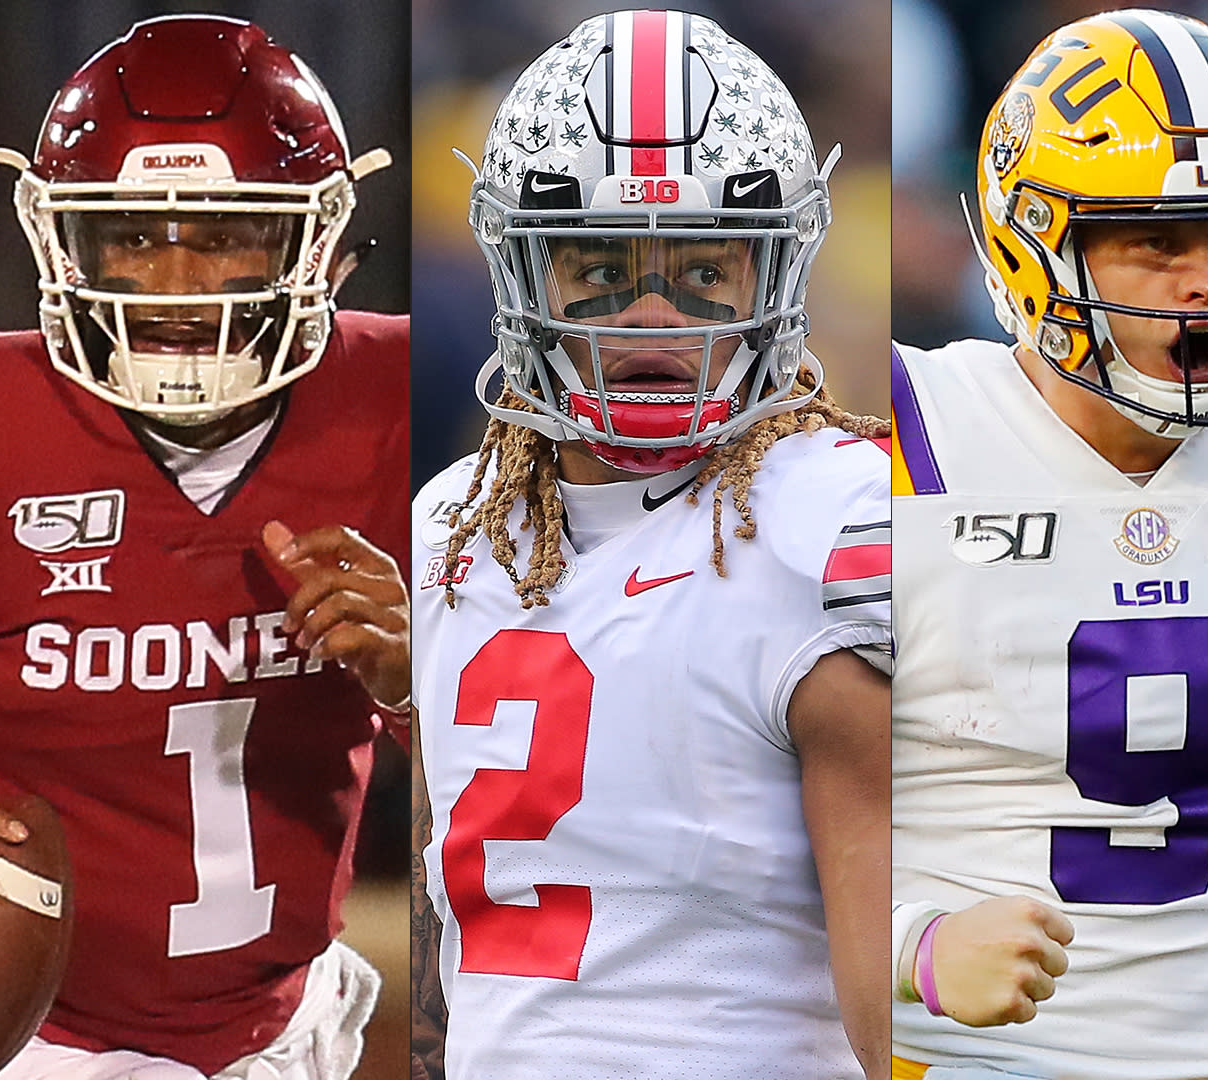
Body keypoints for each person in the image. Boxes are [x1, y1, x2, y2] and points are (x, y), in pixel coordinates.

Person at [408, 11, 891, 1080]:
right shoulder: (454, 524)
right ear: (520, 277)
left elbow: (896, 1006)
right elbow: (457, 939)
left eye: (704, 269)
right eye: (602, 268)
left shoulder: (834, 525)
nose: (657, 314)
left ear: (778, 277)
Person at [890, 11, 1208, 1080]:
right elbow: (737, 822)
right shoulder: (898, 441)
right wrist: (911, 947)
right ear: (1034, 240)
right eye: (1157, 238)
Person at [0, 13, 410, 1080]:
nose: (180, 287)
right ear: (63, 236)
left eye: (228, 234)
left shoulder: (400, 403)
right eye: (136, 237)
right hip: (23, 1037)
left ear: (316, 245)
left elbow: (571, 753)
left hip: (291, 1030)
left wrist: (429, 675)